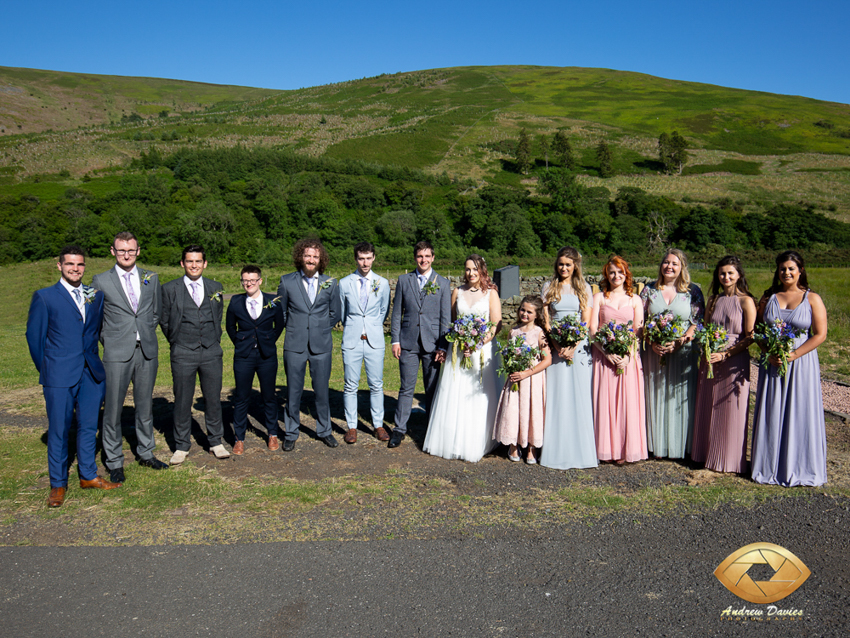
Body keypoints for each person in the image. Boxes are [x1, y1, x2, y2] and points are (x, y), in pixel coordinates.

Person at [27, 246, 121, 507]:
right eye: (70, 264)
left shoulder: (95, 296)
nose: (75, 269)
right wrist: (48, 368)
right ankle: (58, 484)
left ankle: (88, 475)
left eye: (79, 265)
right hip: (59, 373)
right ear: (59, 266)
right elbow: (35, 339)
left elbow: (94, 330)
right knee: (59, 429)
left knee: (89, 426)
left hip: (90, 373)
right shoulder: (45, 297)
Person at [92, 231, 167, 484]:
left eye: (131, 250)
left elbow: (156, 311)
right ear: (113, 251)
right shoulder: (100, 280)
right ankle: (114, 462)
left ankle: (146, 453)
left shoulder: (150, 277)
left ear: (138, 251)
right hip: (116, 352)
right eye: (121, 250)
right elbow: (96, 319)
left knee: (144, 406)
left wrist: (143, 332)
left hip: (146, 350)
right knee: (112, 409)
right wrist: (111, 341)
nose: (127, 254)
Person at [751, 251, 828, 487]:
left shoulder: (811, 298)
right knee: (772, 409)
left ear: (800, 270)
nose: (786, 272)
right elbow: (758, 332)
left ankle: (801, 466)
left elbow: (820, 334)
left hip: (801, 362)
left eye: (791, 268)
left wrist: (793, 354)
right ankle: (769, 465)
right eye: (782, 268)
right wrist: (768, 351)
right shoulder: (769, 298)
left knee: (800, 409)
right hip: (774, 363)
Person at [424, 254, 502, 462]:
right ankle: (453, 440)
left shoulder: (491, 293)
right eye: (468, 269)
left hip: (481, 350)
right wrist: (460, 340)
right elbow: (451, 322)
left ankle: (478, 440)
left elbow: (495, 324)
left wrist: (477, 343)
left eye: (475, 269)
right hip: (458, 350)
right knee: (456, 392)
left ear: (482, 270)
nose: (471, 273)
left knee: (478, 394)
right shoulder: (457, 292)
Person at [160, 245, 229, 463]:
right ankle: (181, 446)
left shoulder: (215, 287)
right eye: (189, 261)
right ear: (182, 263)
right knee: (182, 399)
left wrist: (214, 338)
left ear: (204, 264)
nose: (194, 265)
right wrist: (177, 340)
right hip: (182, 351)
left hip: (211, 351)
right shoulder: (169, 288)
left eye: (198, 261)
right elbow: (164, 319)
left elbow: (218, 315)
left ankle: (216, 441)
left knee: (213, 398)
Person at [691, 256, 756, 474]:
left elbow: (750, 337)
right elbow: (706, 327)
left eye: (730, 273)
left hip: (733, 358)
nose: (725, 277)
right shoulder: (713, 300)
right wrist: (707, 348)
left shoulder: (746, 301)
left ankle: (729, 460)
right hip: (710, 357)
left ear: (738, 275)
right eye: (722, 273)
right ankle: (705, 454)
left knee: (731, 406)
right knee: (708, 403)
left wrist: (726, 354)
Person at [277, 238, 341, 451]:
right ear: (300, 258)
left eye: (315, 256)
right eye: (307, 255)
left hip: (321, 345)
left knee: (321, 391)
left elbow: (335, 313)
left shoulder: (331, 283)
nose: (311, 259)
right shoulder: (287, 282)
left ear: (320, 259)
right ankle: (291, 432)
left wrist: (320, 328)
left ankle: (324, 430)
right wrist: (297, 328)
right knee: (293, 391)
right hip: (294, 345)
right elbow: (282, 312)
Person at [639, 249, 705, 459]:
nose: (669, 267)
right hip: (654, 352)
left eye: (674, 264)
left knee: (679, 397)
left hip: (683, 352)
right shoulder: (649, 290)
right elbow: (639, 322)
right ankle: (657, 446)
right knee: (656, 394)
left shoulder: (692, 292)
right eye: (666, 263)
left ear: (682, 267)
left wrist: (680, 341)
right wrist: (651, 341)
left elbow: (697, 322)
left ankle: (680, 446)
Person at [389, 240, 452, 449]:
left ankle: (432, 429)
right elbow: (397, 312)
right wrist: (395, 340)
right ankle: (399, 429)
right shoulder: (404, 280)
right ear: (415, 258)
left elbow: (445, 318)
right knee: (406, 387)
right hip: (407, 341)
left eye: (427, 256)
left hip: (433, 343)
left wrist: (443, 346)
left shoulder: (442, 283)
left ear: (433, 257)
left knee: (432, 388)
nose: (423, 260)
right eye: (419, 256)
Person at [540, 247, 597, 470]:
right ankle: (555, 449)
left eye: (568, 264)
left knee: (579, 395)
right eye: (561, 264)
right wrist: (557, 345)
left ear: (575, 266)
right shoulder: (548, 287)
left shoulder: (584, 288)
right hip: (556, 346)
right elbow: (546, 321)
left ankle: (581, 450)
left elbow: (585, 320)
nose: (564, 268)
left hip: (578, 348)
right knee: (558, 394)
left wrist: (572, 346)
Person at [590, 255, 647, 464]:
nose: (616, 276)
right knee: (604, 401)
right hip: (603, 357)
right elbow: (593, 329)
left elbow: (637, 331)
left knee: (627, 402)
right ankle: (605, 448)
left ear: (626, 275)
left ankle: (625, 448)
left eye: (620, 272)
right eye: (612, 272)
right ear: (607, 274)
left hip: (627, 358)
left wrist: (627, 355)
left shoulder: (635, 300)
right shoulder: (599, 298)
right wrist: (606, 352)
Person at [225, 265, 285, 454]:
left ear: (260, 280)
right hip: (244, 356)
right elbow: (230, 327)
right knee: (242, 398)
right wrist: (242, 343)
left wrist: (267, 341)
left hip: (267, 355)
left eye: (252, 280)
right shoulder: (235, 301)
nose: (248, 283)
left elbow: (279, 325)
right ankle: (239, 438)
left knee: (268, 396)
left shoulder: (272, 301)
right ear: (242, 281)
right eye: (245, 280)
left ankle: (272, 434)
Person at [339, 242, 391, 444]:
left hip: (374, 340)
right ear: (356, 259)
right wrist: (354, 327)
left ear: (374, 258)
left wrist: (372, 327)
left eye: (369, 258)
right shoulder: (344, 283)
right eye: (361, 258)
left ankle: (378, 424)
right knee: (350, 385)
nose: (365, 262)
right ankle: (351, 426)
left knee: (376, 384)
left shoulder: (382, 283)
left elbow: (383, 310)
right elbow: (343, 313)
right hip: (352, 339)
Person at [493, 296, 551, 464]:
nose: (524, 313)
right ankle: (513, 443)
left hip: (532, 379)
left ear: (537, 314)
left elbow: (547, 360)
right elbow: (509, 353)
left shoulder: (539, 333)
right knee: (514, 409)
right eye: (523, 310)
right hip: (515, 378)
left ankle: (532, 446)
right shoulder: (513, 331)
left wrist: (527, 373)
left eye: (529, 311)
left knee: (532, 411)